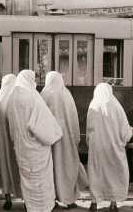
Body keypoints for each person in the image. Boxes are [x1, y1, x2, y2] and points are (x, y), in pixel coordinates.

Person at [6, 70, 62, 212]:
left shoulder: (12, 97)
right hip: (36, 148)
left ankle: (29, 206)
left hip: (20, 147)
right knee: (41, 180)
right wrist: (55, 134)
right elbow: (42, 125)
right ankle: (43, 208)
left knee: (27, 179)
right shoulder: (32, 96)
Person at [41, 71, 88, 209]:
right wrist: (76, 138)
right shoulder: (66, 94)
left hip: (50, 140)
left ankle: (53, 199)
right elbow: (74, 119)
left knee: (52, 170)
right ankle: (69, 198)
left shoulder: (44, 94)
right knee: (68, 167)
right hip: (66, 139)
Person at [87, 83, 132, 212]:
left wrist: (89, 141)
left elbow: (89, 128)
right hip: (114, 147)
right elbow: (124, 130)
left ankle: (94, 202)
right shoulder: (116, 106)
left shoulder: (93, 104)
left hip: (97, 147)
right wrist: (127, 137)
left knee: (96, 173)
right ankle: (113, 203)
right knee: (114, 173)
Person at [0, 74, 21, 210]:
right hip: (14, 141)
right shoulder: (15, 98)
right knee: (18, 168)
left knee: (4, 168)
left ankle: (8, 198)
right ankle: (24, 198)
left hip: (0, 143)